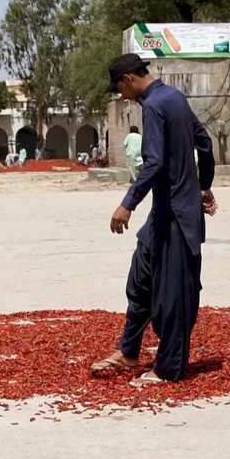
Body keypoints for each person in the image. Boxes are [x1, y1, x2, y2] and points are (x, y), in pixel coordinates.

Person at [91, 53, 217, 386]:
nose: (121, 95)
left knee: (173, 291)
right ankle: (129, 351)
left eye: (120, 87)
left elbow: (155, 162)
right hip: (166, 210)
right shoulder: (174, 97)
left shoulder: (154, 106)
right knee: (142, 278)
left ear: (129, 78)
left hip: (176, 215)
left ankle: (168, 368)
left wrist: (127, 204)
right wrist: (203, 186)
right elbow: (204, 143)